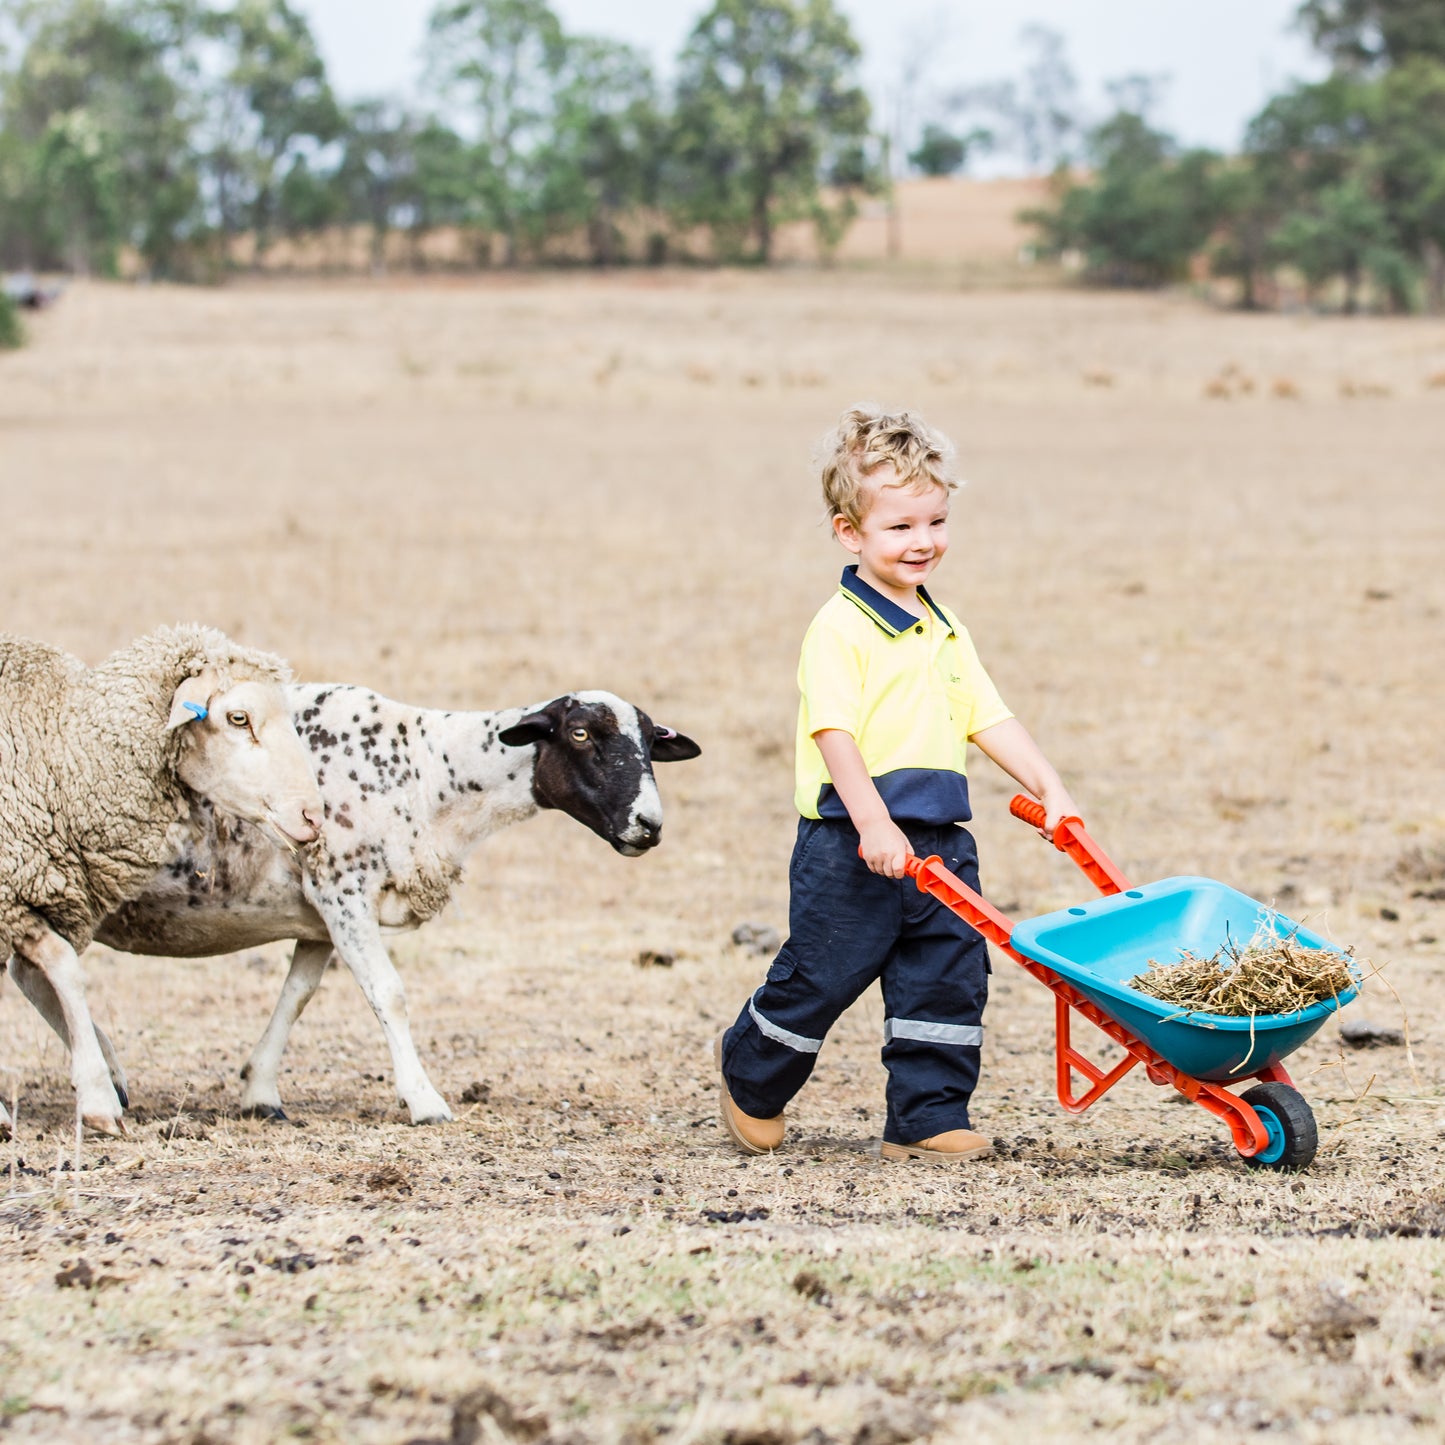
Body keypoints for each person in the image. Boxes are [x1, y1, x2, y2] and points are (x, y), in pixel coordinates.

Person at [715, 405, 1078, 1161]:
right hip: (851, 843)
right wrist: (874, 824)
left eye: (935, 522)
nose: (924, 542)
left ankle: (924, 1117)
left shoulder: (943, 626)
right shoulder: (839, 628)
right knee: (824, 973)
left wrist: (1047, 783)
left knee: (947, 975)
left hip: (943, 842)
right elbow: (833, 734)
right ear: (850, 531)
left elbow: (987, 713)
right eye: (900, 527)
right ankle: (750, 1069)